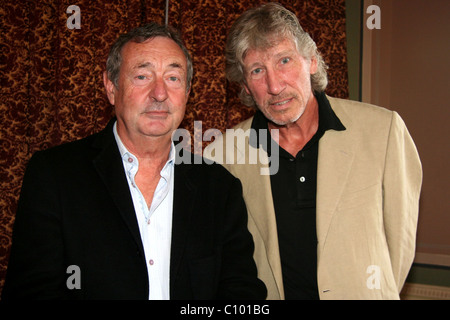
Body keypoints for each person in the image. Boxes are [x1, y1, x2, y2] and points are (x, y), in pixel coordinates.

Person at [2, 22, 266, 300]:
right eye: (142, 76)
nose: (160, 93)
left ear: (188, 92)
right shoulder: (55, 176)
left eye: (173, 78)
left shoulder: (219, 188)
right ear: (111, 87)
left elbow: (240, 293)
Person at [205, 3, 422, 300]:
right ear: (244, 86)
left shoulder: (383, 131)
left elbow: (400, 245)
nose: (275, 85)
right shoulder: (222, 155)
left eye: (284, 60)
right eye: (257, 70)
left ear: (312, 61)